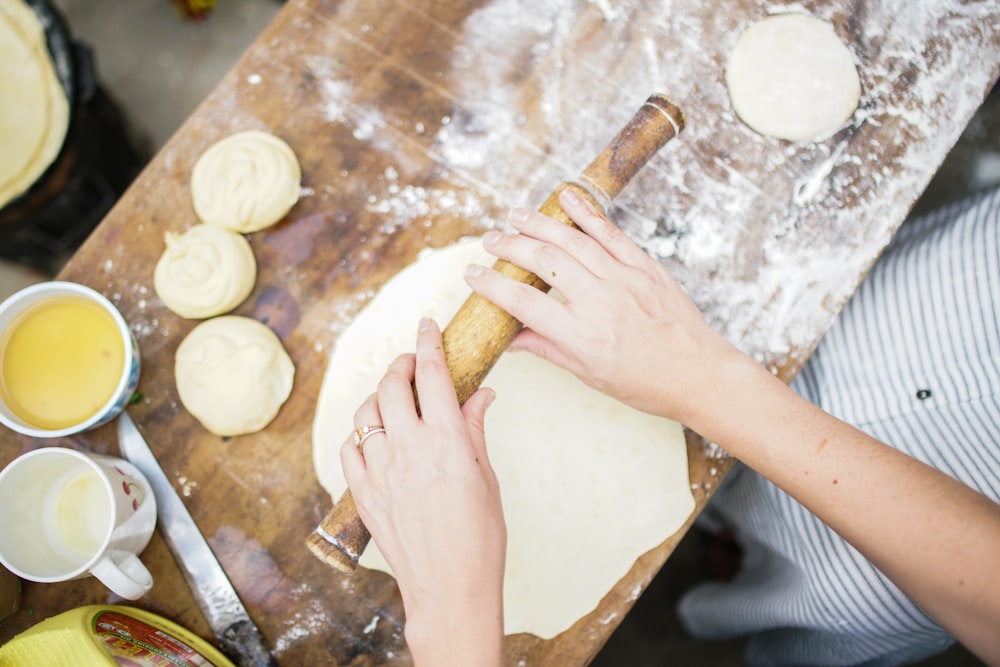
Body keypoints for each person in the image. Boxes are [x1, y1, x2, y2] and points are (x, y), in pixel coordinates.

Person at [340, 186, 1000, 666]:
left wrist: (454, 620)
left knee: (820, 584)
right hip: (948, 303)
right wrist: (702, 378)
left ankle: (731, 569)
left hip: (884, 576)